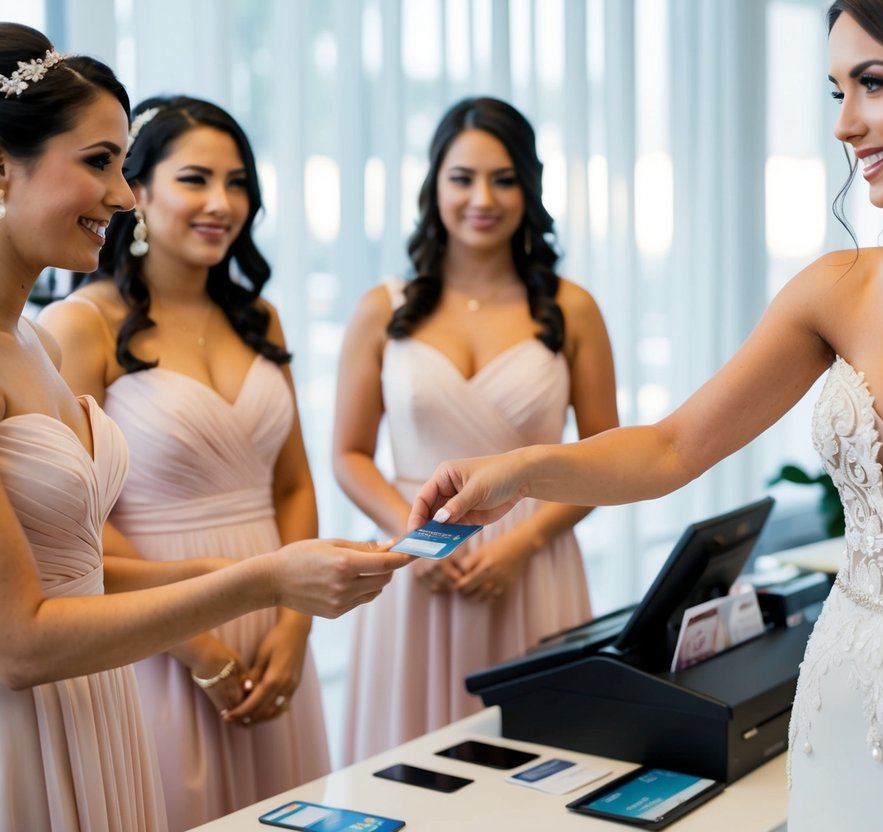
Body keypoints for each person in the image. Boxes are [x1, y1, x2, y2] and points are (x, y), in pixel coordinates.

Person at [407, 3, 883, 830]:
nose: (846, 124)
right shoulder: (837, 290)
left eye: (872, 84)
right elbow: (671, 448)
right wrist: (517, 470)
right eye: (835, 91)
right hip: (840, 725)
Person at [0, 24, 412, 830]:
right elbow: (21, 641)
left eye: (121, 166)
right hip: (42, 716)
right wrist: (253, 583)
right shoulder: (73, 329)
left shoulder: (25, 345)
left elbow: (74, 564)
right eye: (98, 163)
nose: (121, 197)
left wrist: (273, 577)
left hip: (100, 700)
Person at [40, 95, 332, 829]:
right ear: (135, 190)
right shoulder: (82, 324)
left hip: (273, 622)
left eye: (237, 184)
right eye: (196, 179)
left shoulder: (258, 317)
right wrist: (196, 646)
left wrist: (295, 626)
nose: (222, 203)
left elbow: (292, 483)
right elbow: (73, 521)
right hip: (155, 630)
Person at [334, 96, 619, 761]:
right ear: (434, 185)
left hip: (532, 563)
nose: (481, 197)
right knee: (407, 766)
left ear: (529, 186)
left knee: (540, 762)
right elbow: (348, 454)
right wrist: (411, 538)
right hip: (414, 560)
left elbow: (606, 460)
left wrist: (522, 545)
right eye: (462, 178)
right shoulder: (380, 309)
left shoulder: (572, 309)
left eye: (503, 178)